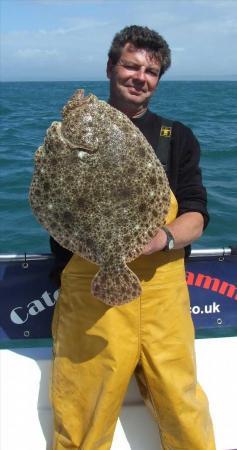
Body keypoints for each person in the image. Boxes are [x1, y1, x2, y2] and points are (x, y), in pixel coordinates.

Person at [50, 25, 216, 450]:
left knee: (182, 405)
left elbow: (196, 214)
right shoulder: (70, 140)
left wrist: (159, 238)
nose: (140, 76)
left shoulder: (176, 137)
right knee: (83, 410)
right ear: (111, 67)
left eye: (151, 70)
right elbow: (52, 204)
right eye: (131, 65)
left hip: (163, 295)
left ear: (158, 79)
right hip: (91, 293)